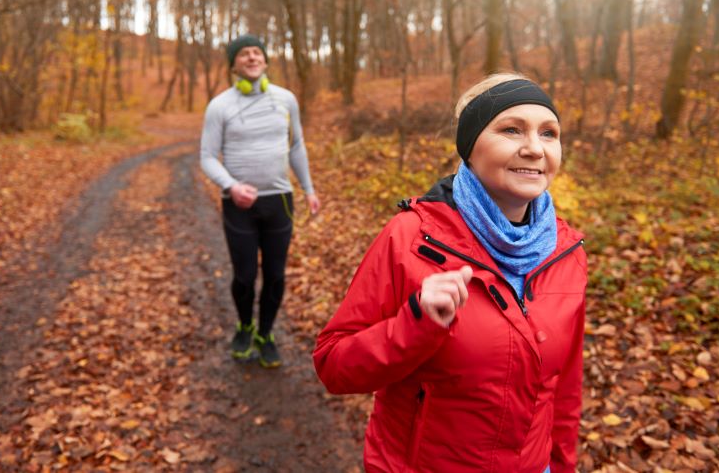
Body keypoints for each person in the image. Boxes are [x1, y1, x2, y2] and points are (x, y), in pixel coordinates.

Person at [313, 73, 587, 472]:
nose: (534, 148)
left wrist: (562, 465)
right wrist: (415, 323)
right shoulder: (410, 238)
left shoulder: (567, 253)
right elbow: (334, 366)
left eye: (549, 133)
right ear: (470, 147)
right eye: (511, 130)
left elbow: (563, 390)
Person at [201, 34, 320, 367]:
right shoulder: (220, 106)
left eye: (257, 53)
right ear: (234, 64)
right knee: (243, 275)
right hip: (238, 206)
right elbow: (207, 156)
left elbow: (296, 147)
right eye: (244, 54)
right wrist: (231, 186)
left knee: (276, 275)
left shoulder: (286, 100)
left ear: (265, 60)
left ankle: (265, 333)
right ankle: (244, 326)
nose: (252, 58)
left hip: (279, 201)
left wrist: (308, 189)